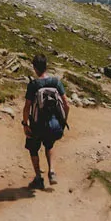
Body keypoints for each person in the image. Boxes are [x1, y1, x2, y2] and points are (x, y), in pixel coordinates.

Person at [22, 54, 70, 189]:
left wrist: (25, 124)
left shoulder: (33, 85)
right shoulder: (56, 82)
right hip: (54, 123)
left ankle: (38, 178)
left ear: (34, 68)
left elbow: (27, 107)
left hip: (37, 125)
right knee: (49, 145)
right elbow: (67, 105)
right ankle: (52, 171)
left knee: (33, 149)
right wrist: (63, 121)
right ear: (46, 66)